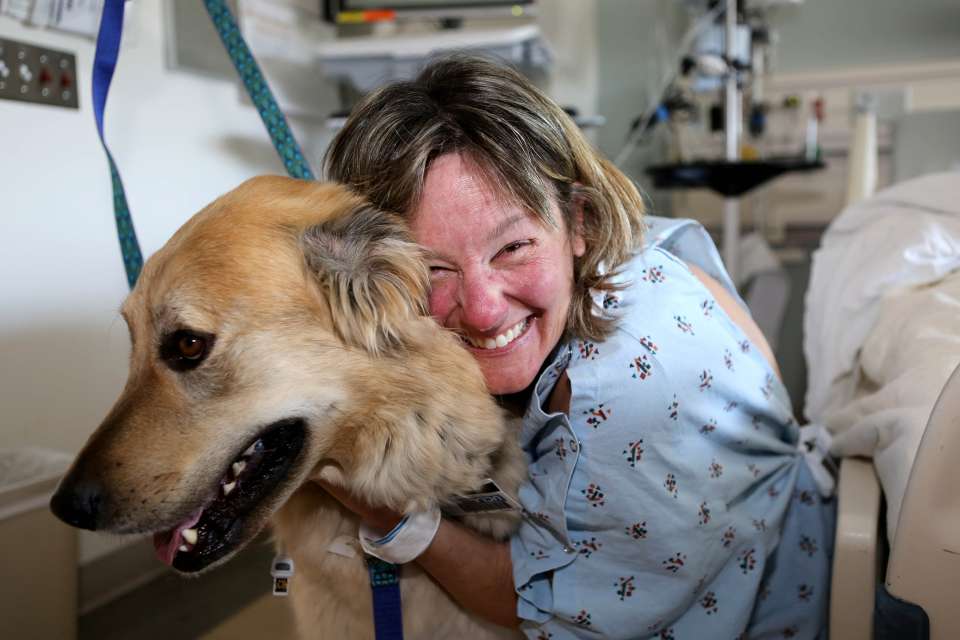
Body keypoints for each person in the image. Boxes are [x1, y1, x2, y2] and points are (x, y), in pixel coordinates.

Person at [320, 54, 834, 639]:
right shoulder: (643, 253)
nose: (484, 309)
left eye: (512, 248)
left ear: (578, 221)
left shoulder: (614, 401)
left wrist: (390, 517)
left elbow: (533, 606)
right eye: (433, 269)